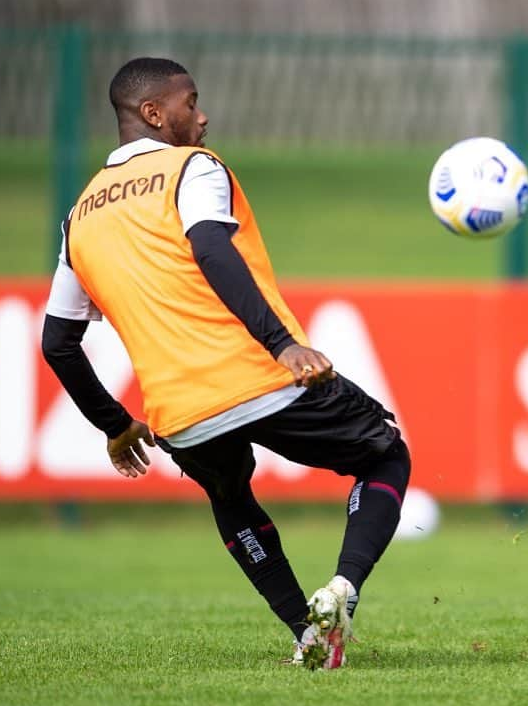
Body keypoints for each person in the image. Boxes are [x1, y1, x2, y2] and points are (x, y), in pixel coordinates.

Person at [41, 57, 410, 670]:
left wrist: (115, 424)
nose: (202, 115)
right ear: (154, 113)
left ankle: (307, 632)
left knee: (229, 495)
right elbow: (210, 246)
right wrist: (281, 345)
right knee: (386, 452)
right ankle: (342, 590)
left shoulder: (78, 216)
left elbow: (57, 341)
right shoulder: (193, 167)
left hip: (177, 414)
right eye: (190, 102)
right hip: (261, 376)